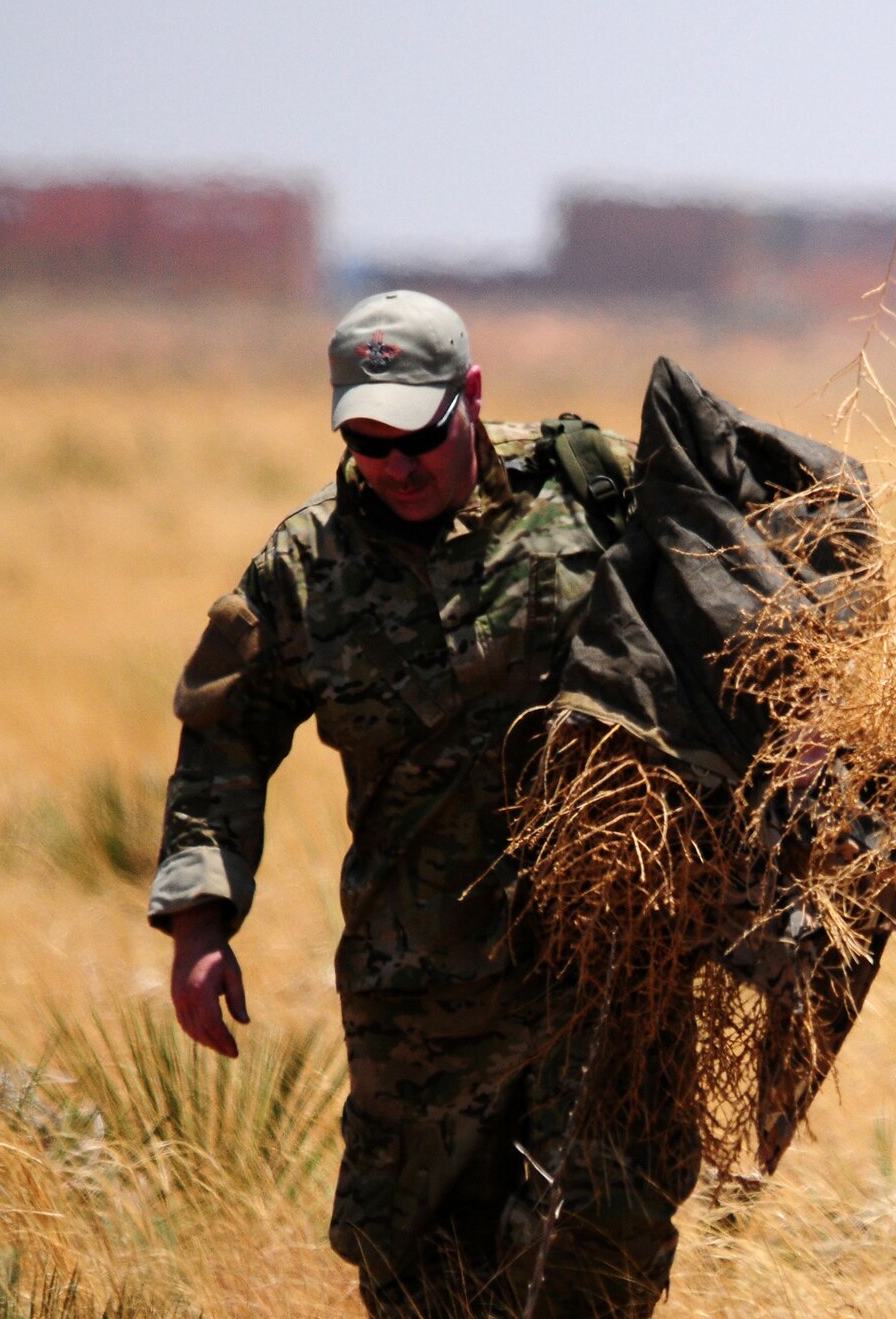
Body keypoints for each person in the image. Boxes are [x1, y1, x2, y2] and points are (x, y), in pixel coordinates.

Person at [150, 290, 692, 1317]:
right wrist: (198, 918)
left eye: (417, 436)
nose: (395, 466)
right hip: (423, 995)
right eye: (366, 441)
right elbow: (224, 739)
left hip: (611, 974)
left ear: (470, 398)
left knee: (599, 1261)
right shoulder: (307, 567)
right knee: (423, 1281)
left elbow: (748, 597)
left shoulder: (593, 494)